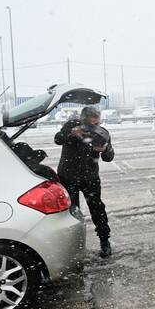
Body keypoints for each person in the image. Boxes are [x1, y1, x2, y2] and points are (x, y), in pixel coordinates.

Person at [54, 106, 115, 258]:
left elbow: (109, 157)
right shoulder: (72, 126)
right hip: (68, 176)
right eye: (90, 123)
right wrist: (71, 133)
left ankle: (104, 242)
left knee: (97, 209)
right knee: (71, 213)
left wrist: (104, 150)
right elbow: (57, 139)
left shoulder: (102, 132)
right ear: (83, 120)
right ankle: (73, 247)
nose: (93, 127)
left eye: (96, 123)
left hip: (90, 178)